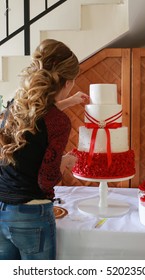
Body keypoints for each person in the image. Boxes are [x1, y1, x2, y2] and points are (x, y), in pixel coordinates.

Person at [0, 39, 88, 260]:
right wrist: (66, 162)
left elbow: (39, 117)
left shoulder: (15, 104)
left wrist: (69, 101)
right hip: (31, 214)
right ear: (67, 82)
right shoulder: (59, 122)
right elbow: (46, 180)